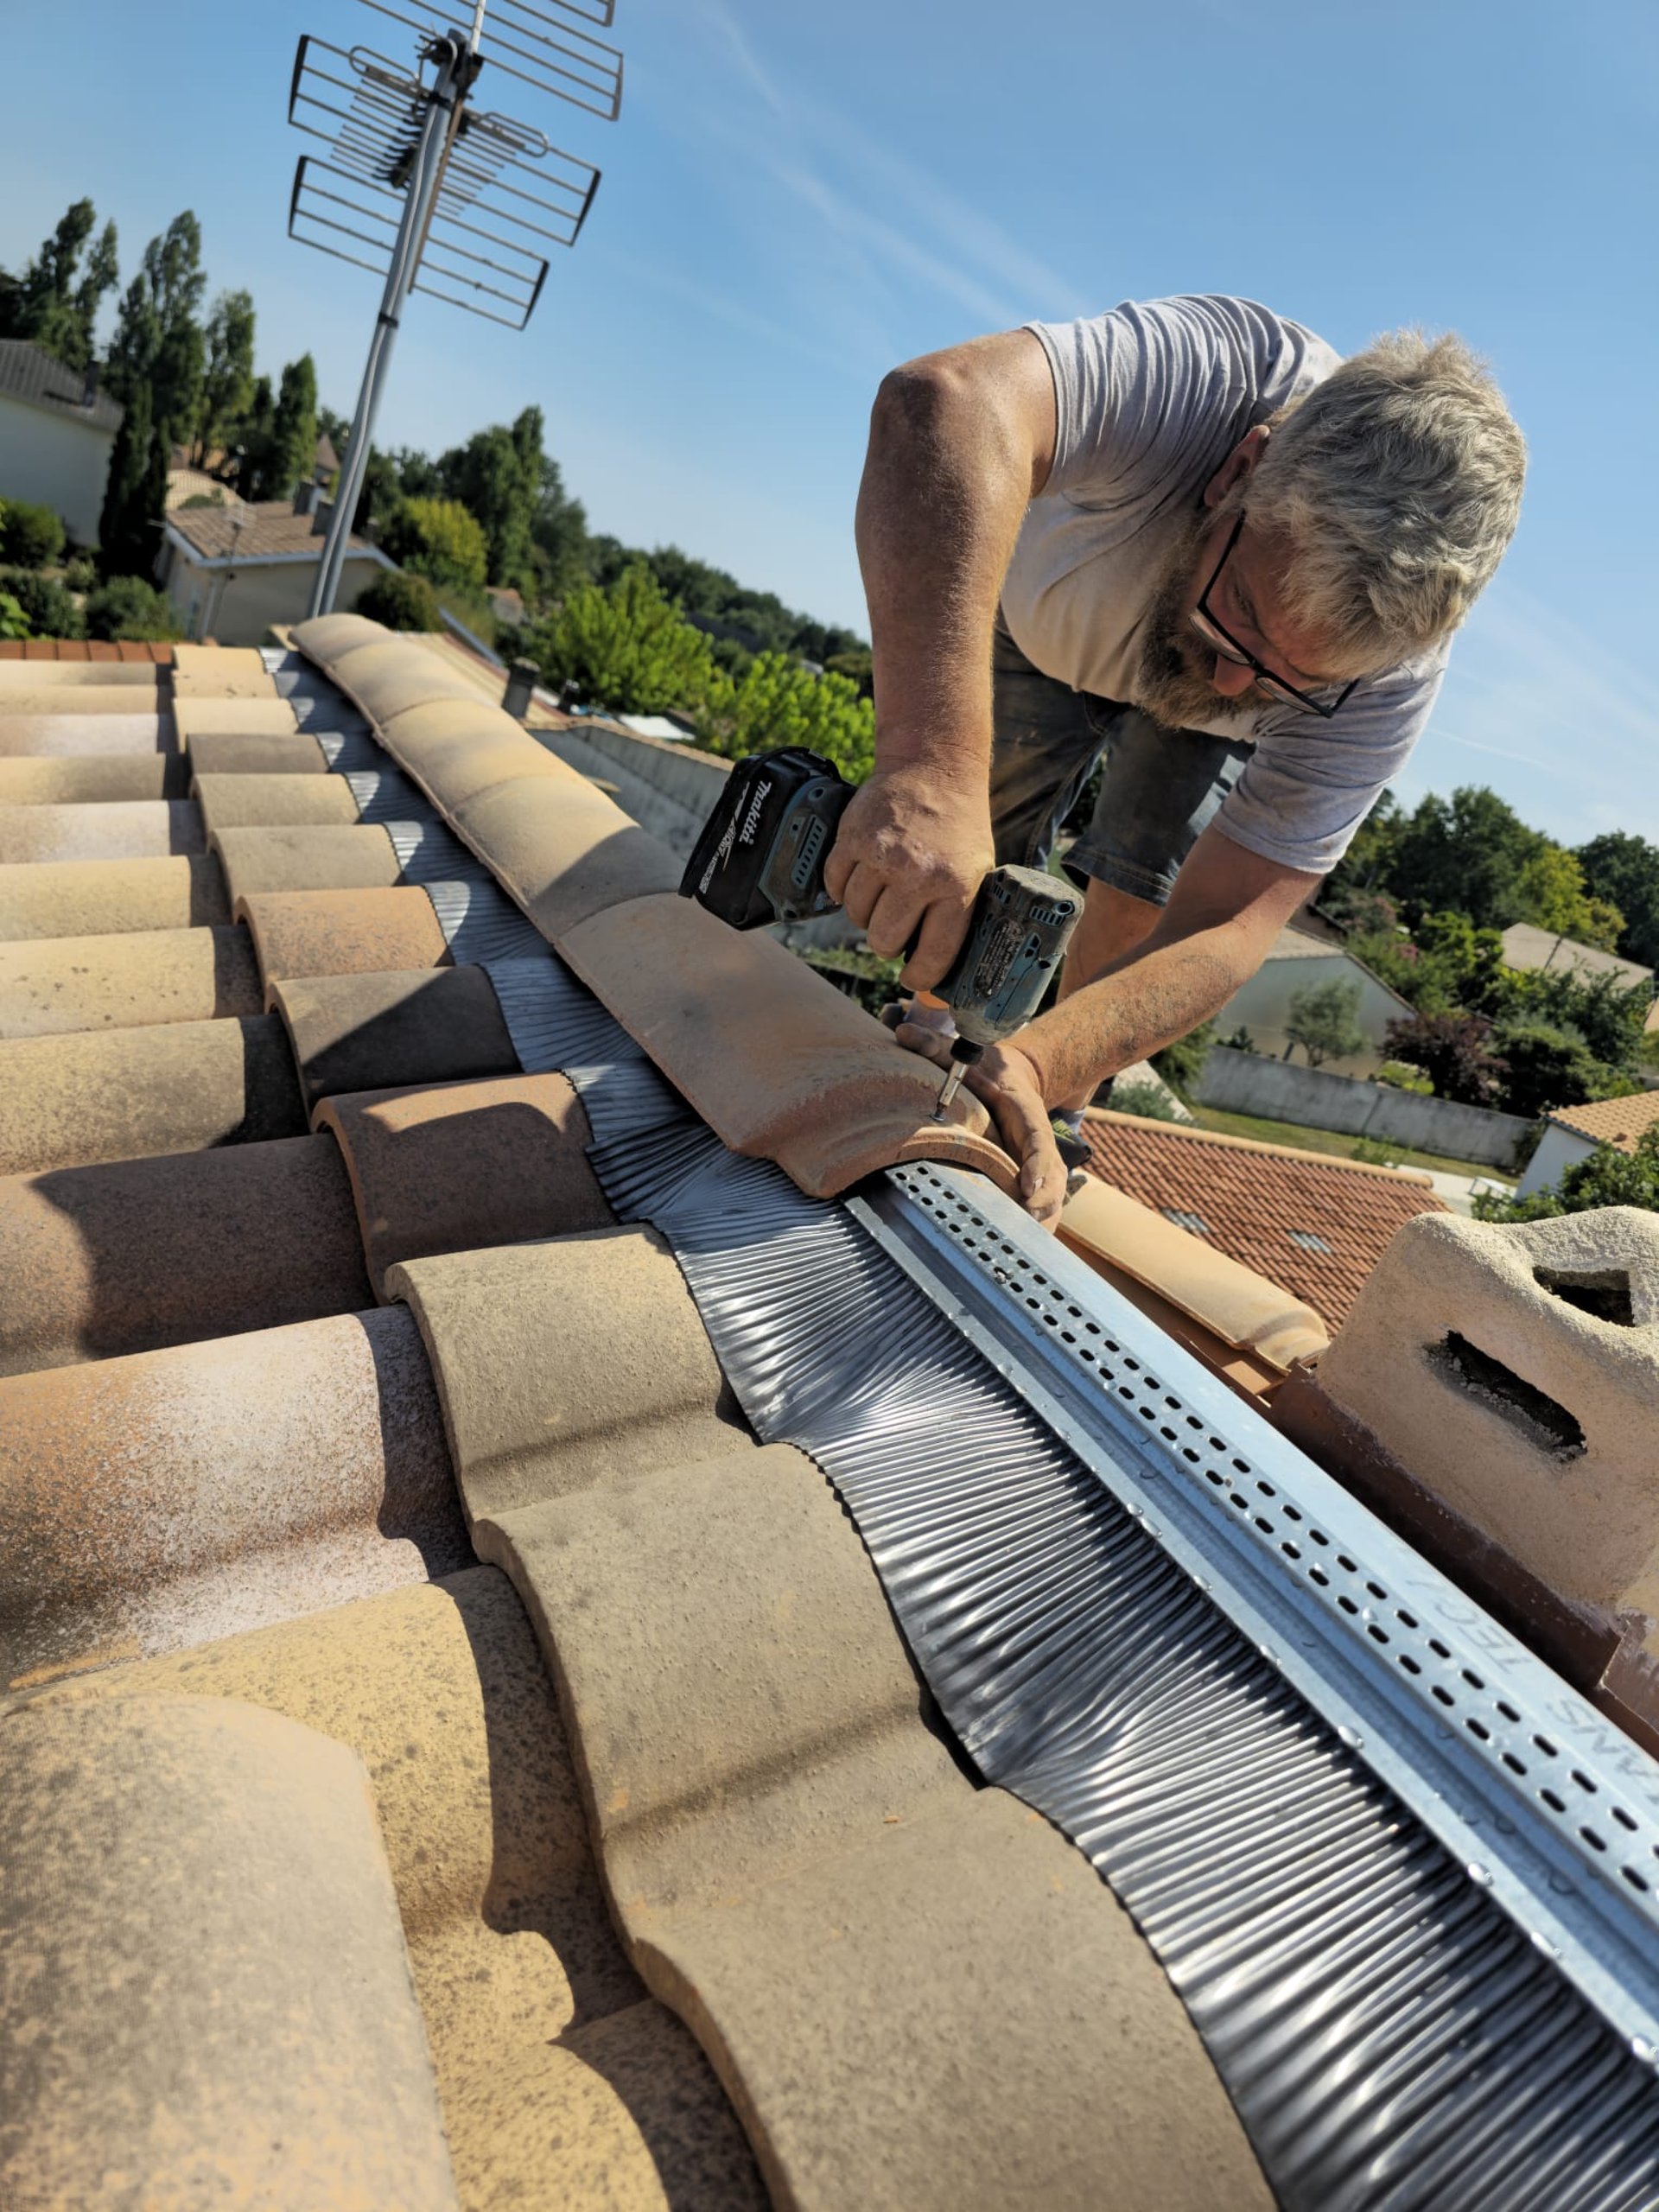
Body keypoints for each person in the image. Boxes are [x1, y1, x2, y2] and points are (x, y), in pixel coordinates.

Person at [826, 294, 1525, 1229]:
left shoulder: (1385, 676)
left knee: (1142, 875)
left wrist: (1039, 1063)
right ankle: (926, 1027)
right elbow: (940, 406)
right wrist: (925, 765)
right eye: (1245, 613)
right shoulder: (1210, 379)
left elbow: (1228, 923)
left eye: (1289, 677)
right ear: (1243, 469)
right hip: (1042, 626)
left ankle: (1051, 1088)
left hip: (1186, 681)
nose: (1237, 678)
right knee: (974, 820)